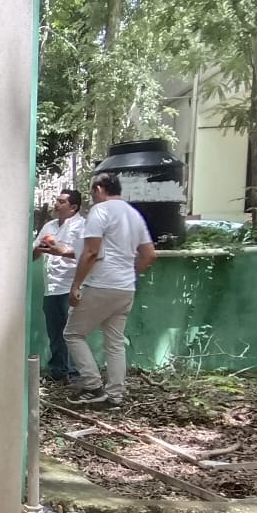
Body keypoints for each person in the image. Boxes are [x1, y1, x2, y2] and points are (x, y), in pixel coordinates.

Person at [65, 172, 156, 408]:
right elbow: (149, 254)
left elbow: (91, 251)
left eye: (92, 192)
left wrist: (76, 285)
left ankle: (92, 385)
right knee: (114, 342)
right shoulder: (133, 214)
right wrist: (129, 275)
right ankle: (115, 396)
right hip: (125, 289)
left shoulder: (100, 211)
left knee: (73, 334)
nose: (92, 197)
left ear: (99, 189)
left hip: (102, 285)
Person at [32, 189, 86, 381]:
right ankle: (58, 371)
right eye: (56, 200)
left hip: (71, 285)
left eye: (62, 202)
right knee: (55, 332)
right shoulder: (49, 226)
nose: (56, 204)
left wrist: (61, 251)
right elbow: (33, 254)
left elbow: (88, 254)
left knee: (72, 332)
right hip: (51, 287)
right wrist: (40, 249)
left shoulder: (82, 226)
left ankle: (75, 372)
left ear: (73, 207)